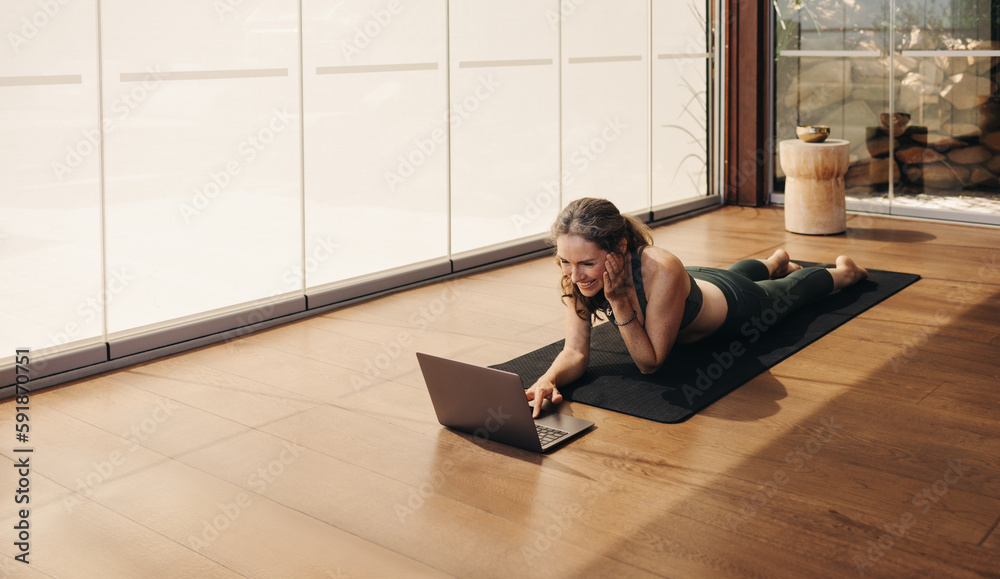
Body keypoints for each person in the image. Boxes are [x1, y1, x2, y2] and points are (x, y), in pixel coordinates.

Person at [526, 197, 869, 417]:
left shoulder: (661, 268)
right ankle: (773, 261)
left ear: (620, 248)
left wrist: (617, 299)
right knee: (735, 273)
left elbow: (650, 363)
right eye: (564, 262)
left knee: (790, 292)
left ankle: (844, 272)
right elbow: (575, 351)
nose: (575, 275)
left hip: (737, 305)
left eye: (586, 263)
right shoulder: (577, 275)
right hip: (695, 284)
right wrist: (548, 378)